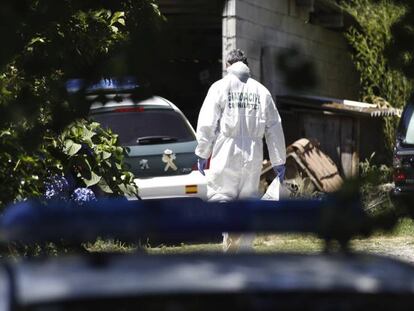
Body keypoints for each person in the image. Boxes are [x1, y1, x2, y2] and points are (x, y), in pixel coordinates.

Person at [195, 49, 286, 252]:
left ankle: (229, 238)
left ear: (228, 65)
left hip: (226, 150)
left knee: (222, 197)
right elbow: (274, 127)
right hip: (253, 153)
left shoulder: (220, 87)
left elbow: (207, 124)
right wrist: (279, 160)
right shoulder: (261, 91)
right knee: (248, 202)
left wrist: (202, 152)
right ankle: (245, 250)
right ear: (246, 65)